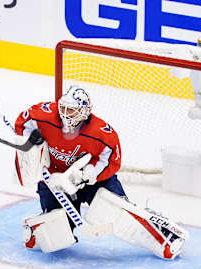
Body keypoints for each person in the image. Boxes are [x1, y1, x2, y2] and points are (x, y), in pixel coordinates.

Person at [14, 86, 187, 259]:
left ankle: (161, 236)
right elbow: (23, 122)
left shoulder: (102, 133)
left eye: (72, 111)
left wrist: (91, 173)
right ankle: (37, 227)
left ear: (85, 111)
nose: (66, 114)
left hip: (95, 182)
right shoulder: (45, 115)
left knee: (115, 212)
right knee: (58, 231)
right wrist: (29, 141)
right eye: (64, 108)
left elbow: (112, 161)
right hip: (57, 180)